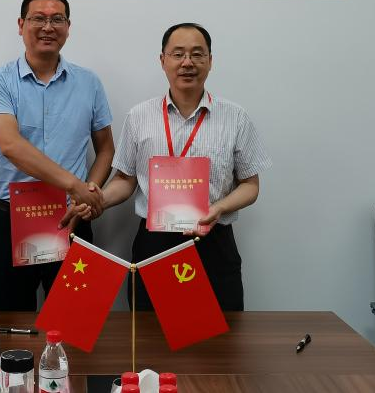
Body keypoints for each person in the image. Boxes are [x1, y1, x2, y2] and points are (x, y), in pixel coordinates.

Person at [68, 23, 271, 311]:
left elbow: (250, 185)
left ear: (210, 61)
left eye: (197, 54)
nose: (187, 62)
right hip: (155, 245)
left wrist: (219, 208)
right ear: (163, 60)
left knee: (221, 335)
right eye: (178, 54)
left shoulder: (235, 117)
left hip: (212, 241)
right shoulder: (140, 116)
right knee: (151, 333)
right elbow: (125, 179)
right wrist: (99, 199)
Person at [0, 0, 113, 311]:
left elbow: (106, 149)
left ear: (68, 27)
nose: (48, 27)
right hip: (11, 222)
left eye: (57, 19)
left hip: (72, 219)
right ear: (21, 25)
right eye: (38, 18)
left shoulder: (89, 83)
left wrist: (89, 192)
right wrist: (75, 185)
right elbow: (11, 146)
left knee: (75, 321)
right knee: (11, 325)